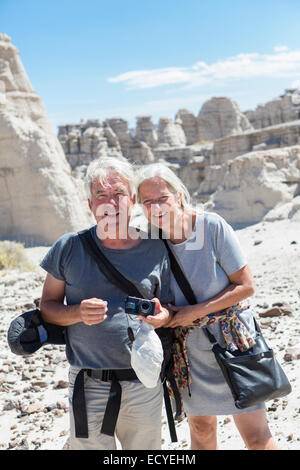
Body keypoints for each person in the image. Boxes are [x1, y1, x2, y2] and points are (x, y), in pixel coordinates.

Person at [136, 162, 279, 451]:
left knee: (255, 436)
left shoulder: (210, 226)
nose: (156, 207)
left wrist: (195, 312)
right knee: (201, 431)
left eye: (162, 198)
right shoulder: (151, 241)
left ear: (177, 195)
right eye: (147, 201)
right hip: (189, 353)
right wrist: (161, 316)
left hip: (233, 342)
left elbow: (246, 286)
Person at [39, 156, 172, 450]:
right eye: (101, 195)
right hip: (88, 384)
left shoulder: (156, 247)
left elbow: (172, 307)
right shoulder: (68, 247)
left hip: (144, 381)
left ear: (132, 199)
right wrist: (76, 313)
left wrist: (162, 317)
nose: (110, 202)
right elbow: (47, 306)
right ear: (90, 204)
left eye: (118, 193)